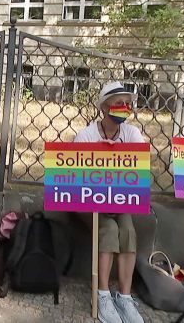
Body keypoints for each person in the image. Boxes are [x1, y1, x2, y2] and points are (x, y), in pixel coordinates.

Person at [74, 81, 144, 323]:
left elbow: (141, 167)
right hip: (90, 204)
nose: (124, 108)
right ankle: (101, 294)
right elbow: (75, 179)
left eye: (127, 104)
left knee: (127, 230)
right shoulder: (85, 136)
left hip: (119, 201)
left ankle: (124, 297)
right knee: (108, 228)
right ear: (104, 107)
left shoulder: (132, 134)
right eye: (118, 104)